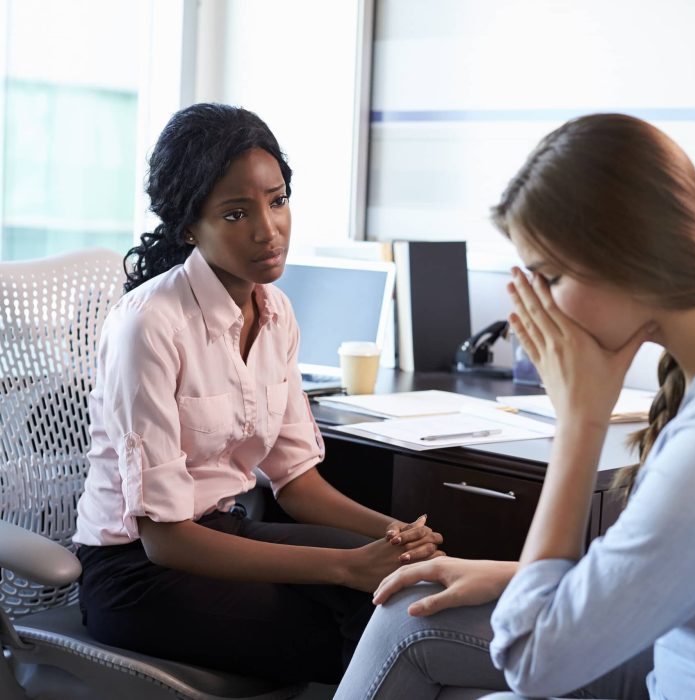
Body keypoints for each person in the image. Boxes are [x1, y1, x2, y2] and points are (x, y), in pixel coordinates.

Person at [333, 113, 695, 699]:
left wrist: (580, 420)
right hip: (680, 654)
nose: (538, 309)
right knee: (411, 612)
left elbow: (534, 662)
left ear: (626, 256)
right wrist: (510, 576)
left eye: (549, 278)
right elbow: (686, 568)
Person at [73, 103, 444, 685]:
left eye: (277, 201)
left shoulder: (276, 312)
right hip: (136, 573)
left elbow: (296, 483)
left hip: (223, 534)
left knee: (411, 584)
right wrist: (347, 567)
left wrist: (393, 533)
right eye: (237, 213)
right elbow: (166, 541)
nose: (267, 229)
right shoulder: (149, 325)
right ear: (190, 226)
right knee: (370, 622)